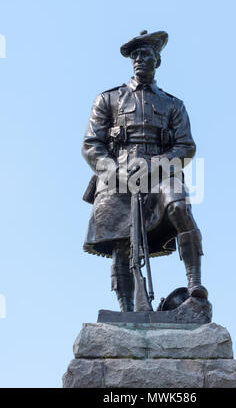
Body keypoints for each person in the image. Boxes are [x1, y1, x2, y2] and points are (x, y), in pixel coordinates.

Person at [82, 30, 207, 311]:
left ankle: (195, 284)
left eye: (146, 54)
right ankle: (128, 309)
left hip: (161, 173)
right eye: (135, 55)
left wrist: (156, 165)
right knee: (122, 242)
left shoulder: (173, 104)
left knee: (180, 207)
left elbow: (185, 146)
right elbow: (92, 145)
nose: (139, 59)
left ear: (157, 60)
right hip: (119, 177)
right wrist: (116, 173)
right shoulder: (108, 99)